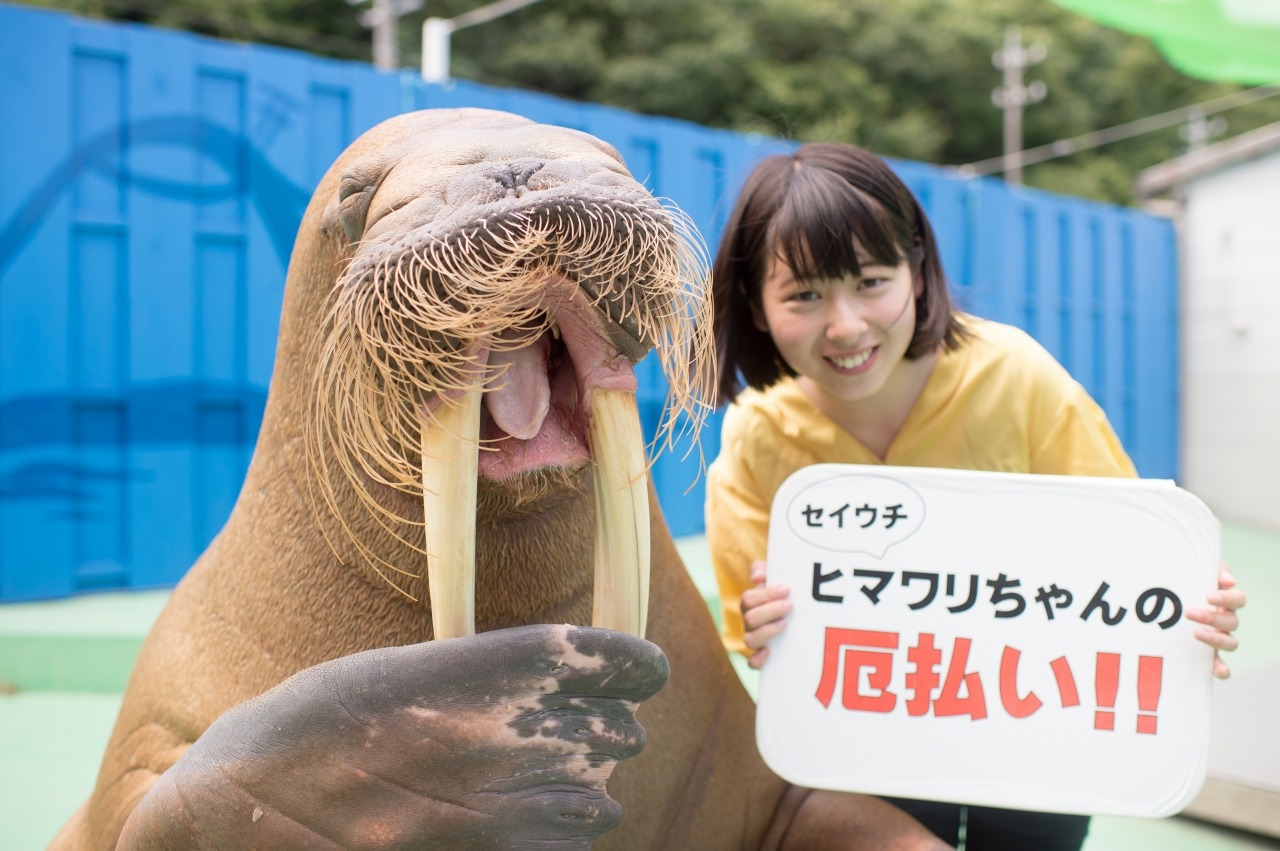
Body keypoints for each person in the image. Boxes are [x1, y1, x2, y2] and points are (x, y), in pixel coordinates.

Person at [704, 141, 1246, 851]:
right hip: (868, 746)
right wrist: (766, 627)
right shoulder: (756, 436)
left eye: (871, 280)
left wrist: (1188, 607)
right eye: (804, 294)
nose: (845, 325)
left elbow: (1131, 550)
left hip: (1034, 728)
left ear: (919, 272)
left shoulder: (1015, 376)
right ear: (756, 304)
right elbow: (756, 640)